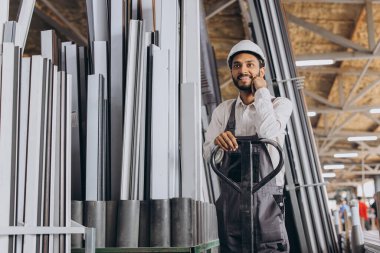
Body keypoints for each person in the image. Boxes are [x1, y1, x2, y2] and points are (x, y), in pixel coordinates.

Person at [203, 40, 293, 252]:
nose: (242, 70)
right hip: (231, 205)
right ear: (232, 72)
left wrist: (261, 92)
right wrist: (218, 145)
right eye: (237, 66)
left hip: (268, 204)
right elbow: (207, 155)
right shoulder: (223, 111)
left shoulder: (280, 104)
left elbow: (268, 133)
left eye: (249, 64)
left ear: (261, 70)